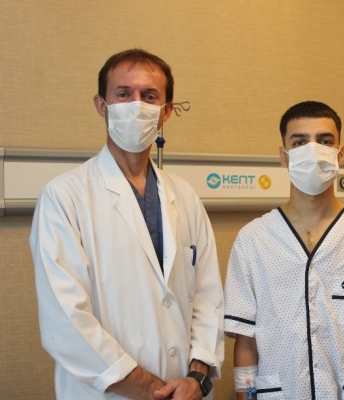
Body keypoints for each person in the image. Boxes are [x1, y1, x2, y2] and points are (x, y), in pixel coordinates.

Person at [29, 49, 224, 400]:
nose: (136, 105)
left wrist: (197, 376)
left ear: (166, 111)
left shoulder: (185, 196)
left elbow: (209, 297)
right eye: (123, 94)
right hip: (110, 393)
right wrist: (155, 391)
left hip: (187, 391)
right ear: (101, 105)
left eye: (149, 96)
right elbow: (66, 321)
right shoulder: (64, 197)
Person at [223, 101, 344, 399]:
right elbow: (246, 342)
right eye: (299, 142)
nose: (312, 151)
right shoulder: (253, 240)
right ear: (283, 156)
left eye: (324, 141)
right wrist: (246, 396)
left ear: (340, 154)